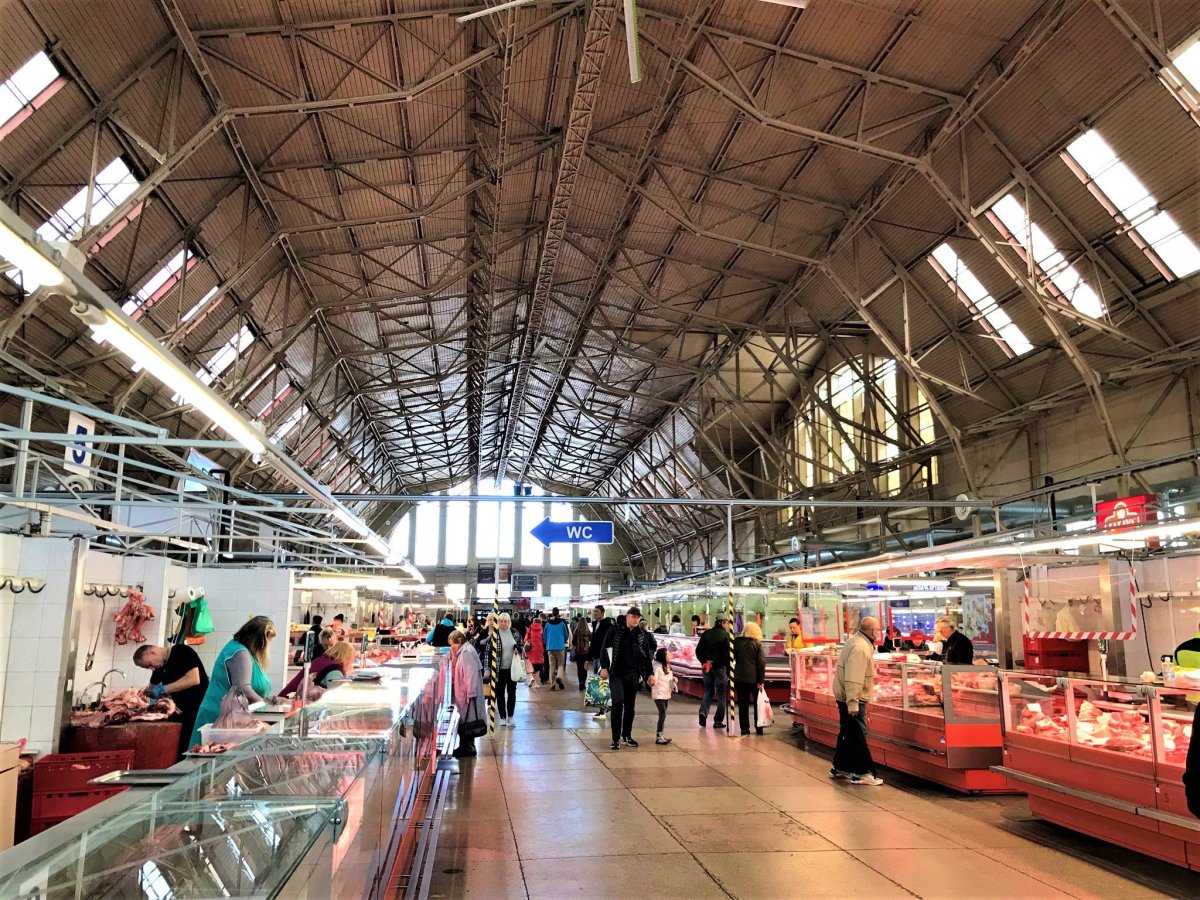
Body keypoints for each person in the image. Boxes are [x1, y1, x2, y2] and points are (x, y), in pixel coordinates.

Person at [190, 616, 277, 747]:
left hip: (231, 718)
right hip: (219, 717)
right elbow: (243, 688)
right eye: (268, 640)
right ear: (260, 638)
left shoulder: (243, 651)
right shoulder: (239, 652)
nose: (267, 645)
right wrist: (267, 708)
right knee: (212, 754)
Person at [134, 643, 209, 758]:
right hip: (182, 712)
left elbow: (194, 679)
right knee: (179, 750)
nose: (151, 668)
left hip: (199, 709)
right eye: (147, 667)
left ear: (151, 652)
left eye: (149, 665)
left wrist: (163, 689)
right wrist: (141, 695)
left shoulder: (181, 651)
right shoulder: (159, 667)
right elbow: (152, 687)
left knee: (190, 749)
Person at [832, 616, 883, 785]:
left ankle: (841, 767)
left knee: (847, 732)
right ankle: (861, 773)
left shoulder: (855, 641)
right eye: (878, 629)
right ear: (872, 631)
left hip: (845, 697)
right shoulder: (861, 648)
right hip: (853, 698)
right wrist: (853, 702)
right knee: (858, 735)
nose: (879, 632)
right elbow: (854, 678)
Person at [598, 606, 653, 750]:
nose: (636, 619)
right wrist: (604, 667)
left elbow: (646, 656)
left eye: (638, 617)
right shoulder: (614, 630)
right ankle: (615, 738)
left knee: (630, 706)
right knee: (617, 703)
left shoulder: (641, 635)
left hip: (633, 674)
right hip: (616, 673)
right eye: (633, 616)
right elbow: (604, 649)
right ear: (627, 616)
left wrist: (650, 673)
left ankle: (627, 735)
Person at [448, 630, 484, 759]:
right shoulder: (465, 650)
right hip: (466, 692)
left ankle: (468, 748)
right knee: (467, 720)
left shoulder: (466, 652)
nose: (451, 647)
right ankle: (466, 746)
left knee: (468, 721)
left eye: (452, 644)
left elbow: (470, 673)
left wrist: (470, 692)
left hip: (468, 693)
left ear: (459, 641)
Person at [485, 613, 523, 727]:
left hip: (512, 669)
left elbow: (521, 646)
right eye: (501, 621)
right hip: (498, 670)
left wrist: (518, 649)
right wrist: (487, 669)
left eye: (505, 621)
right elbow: (487, 653)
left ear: (509, 622)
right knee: (500, 693)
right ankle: (502, 717)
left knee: (512, 693)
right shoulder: (494, 634)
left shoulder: (515, 633)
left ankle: (510, 716)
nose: (503, 623)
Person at [696, 613, 732, 728]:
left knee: (708, 690)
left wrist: (704, 662)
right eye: (727, 622)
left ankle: (703, 712)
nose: (728, 625)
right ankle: (718, 721)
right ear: (722, 622)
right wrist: (728, 671)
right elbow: (726, 655)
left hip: (706, 667)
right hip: (719, 667)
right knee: (721, 693)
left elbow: (698, 650)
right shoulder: (725, 635)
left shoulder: (706, 633)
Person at [280, 640, 355, 697]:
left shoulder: (325, 660)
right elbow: (335, 694)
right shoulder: (334, 669)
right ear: (346, 656)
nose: (351, 662)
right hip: (293, 701)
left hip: (289, 696)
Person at [734, 622, 767, 736]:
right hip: (754, 678)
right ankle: (759, 728)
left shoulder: (737, 642)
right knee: (758, 703)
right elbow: (761, 663)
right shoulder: (757, 644)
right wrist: (761, 680)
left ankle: (744, 729)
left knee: (743, 704)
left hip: (739, 677)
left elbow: (730, 657)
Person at [589, 605, 614, 719]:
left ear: (603, 613)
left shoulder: (608, 625)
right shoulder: (595, 624)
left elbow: (608, 643)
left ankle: (603, 709)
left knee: (602, 683)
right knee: (598, 682)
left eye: (597, 611)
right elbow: (594, 641)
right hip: (596, 656)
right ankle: (603, 708)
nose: (595, 613)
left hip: (603, 657)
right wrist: (589, 657)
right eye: (594, 611)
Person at [650, 647, 677, 745]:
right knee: (662, 713)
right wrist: (652, 681)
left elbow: (668, 678)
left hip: (666, 693)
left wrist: (674, 680)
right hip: (659, 694)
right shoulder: (657, 668)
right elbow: (654, 681)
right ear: (663, 656)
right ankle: (659, 736)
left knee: (663, 714)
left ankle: (661, 734)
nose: (670, 655)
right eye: (668, 654)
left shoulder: (668, 667)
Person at [543, 607, 570, 690]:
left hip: (550, 647)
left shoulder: (547, 624)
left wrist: (548, 642)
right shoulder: (562, 623)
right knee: (560, 664)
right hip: (560, 647)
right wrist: (563, 641)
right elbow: (566, 635)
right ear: (558, 613)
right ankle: (559, 677)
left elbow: (544, 636)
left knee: (552, 666)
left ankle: (552, 685)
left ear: (552, 613)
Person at [570, 613, 591, 691]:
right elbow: (592, 640)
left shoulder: (576, 632)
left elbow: (573, 642)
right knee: (585, 669)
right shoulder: (588, 632)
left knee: (579, 669)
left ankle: (580, 683)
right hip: (586, 653)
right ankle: (583, 683)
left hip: (578, 653)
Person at [524, 615, 546, 687]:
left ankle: (531, 678)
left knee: (530, 666)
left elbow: (525, 639)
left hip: (530, 649)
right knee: (538, 667)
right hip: (539, 650)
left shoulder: (530, 629)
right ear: (540, 623)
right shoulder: (542, 629)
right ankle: (537, 684)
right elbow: (544, 641)